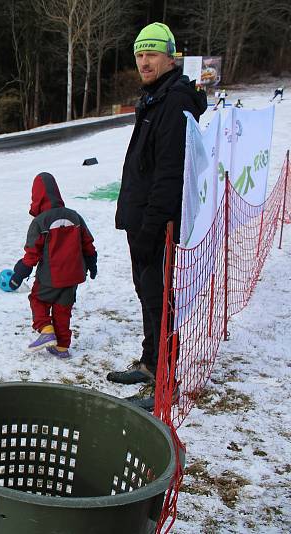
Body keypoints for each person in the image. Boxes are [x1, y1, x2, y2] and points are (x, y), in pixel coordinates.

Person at [109, 22, 207, 409]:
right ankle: (151, 364)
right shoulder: (155, 96)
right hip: (141, 219)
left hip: (156, 223)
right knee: (147, 294)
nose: (144, 62)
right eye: (139, 55)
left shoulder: (174, 100)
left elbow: (170, 170)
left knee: (158, 298)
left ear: (170, 57)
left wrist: (153, 225)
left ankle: (165, 383)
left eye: (151, 54)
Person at [8, 172, 97, 359]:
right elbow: (87, 243)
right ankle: (62, 347)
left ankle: (46, 329)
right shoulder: (74, 217)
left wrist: (19, 273)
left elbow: (32, 253)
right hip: (74, 275)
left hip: (50, 275)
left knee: (37, 299)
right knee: (62, 309)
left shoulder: (40, 222)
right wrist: (92, 263)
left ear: (36, 196)